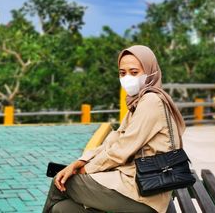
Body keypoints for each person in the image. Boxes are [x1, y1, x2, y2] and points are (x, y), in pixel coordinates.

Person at [42, 45, 186, 213]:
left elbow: (121, 150)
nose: (127, 78)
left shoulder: (151, 101)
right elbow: (114, 139)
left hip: (145, 192)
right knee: (62, 208)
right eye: (122, 73)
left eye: (134, 72)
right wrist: (80, 162)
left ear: (151, 72)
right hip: (136, 185)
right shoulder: (138, 102)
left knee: (61, 182)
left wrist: (86, 170)